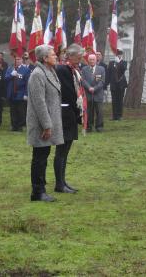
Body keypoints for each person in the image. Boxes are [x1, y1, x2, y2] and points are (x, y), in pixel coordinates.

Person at [27, 44, 64, 202]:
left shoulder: (49, 71)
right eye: (53, 54)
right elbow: (39, 102)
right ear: (44, 58)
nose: (56, 56)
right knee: (39, 157)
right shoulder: (38, 74)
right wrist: (47, 125)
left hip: (49, 121)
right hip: (41, 124)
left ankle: (41, 187)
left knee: (44, 155)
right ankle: (37, 192)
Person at [55, 43, 84, 193]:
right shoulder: (62, 69)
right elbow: (69, 92)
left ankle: (63, 181)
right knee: (61, 150)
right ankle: (59, 184)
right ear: (70, 56)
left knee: (65, 151)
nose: (80, 60)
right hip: (65, 113)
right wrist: (79, 107)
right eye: (78, 57)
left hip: (70, 113)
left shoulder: (72, 70)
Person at [6, 55, 31, 132]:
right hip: (12, 93)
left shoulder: (26, 70)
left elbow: (27, 83)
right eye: (16, 59)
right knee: (13, 111)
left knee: (21, 111)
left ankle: (21, 126)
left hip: (21, 92)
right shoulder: (10, 69)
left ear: (22, 60)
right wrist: (11, 75)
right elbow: (6, 78)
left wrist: (26, 94)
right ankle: (14, 126)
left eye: (19, 59)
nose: (17, 61)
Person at [81, 53, 105, 132]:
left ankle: (99, 127)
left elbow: (102, 81)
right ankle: (88, 127)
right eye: (90, 59)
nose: (92, 61)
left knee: (99, 111)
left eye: (93, 59)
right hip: (88, 94)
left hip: (98, 94)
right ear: (88, 60)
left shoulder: (101, 69)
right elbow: (83, 80)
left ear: (96, 60)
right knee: (89, 112)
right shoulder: (84, 69)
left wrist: (94, 88)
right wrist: (89, 88)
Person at [107, 49, 127, 120]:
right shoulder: (111, 63)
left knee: (120, 100)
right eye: (117, 54)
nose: (119, 55)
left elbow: (124, 69)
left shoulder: (124, 62)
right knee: (114, 100)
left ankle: (119, 115)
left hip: (121, 84)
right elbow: (108, 73)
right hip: (113, 84)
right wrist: (106, 84)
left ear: (122, 55)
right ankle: (114, 116)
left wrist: (119, 63)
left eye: (120, 54)